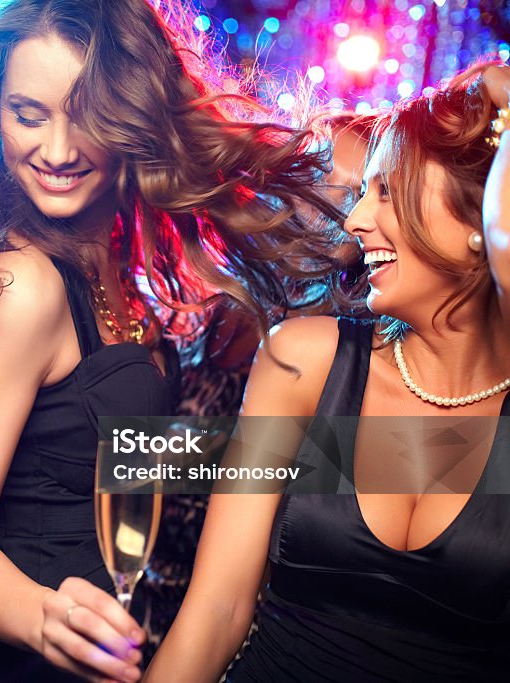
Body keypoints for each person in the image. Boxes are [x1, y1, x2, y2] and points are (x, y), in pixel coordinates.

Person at [0, 1, 346, 681]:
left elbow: (105, 460)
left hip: (101, 651)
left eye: (86, 115)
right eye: (27, 114)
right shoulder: (20, 283)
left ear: (133, 115)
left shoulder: (106, 262)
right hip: (16, 660)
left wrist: (397, 460)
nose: (56, 150)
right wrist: (40, 614)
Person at [145, 64, 510, 682]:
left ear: (484, 215)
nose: (354, 221)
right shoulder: (305, 361)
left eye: (387, 190)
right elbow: (217, 609)